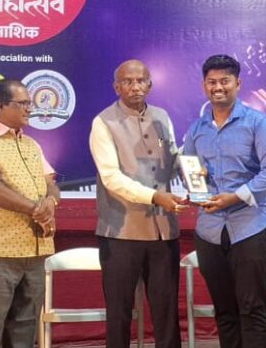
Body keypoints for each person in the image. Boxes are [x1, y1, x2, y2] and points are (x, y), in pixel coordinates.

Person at [182, 54, 266, 348]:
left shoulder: (257, 123)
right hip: (210, 231)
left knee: (252, 308)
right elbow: (189, 170)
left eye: (224, 81)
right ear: (204, 85)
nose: (218, 87)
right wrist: (196, 183)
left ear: (238, 84)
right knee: (224, 310)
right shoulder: (197, 129)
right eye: (212, 82)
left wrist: (235, 197)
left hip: (249, 227)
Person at [89, 59, 187, 348]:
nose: (135, 87)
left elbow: (172, 159)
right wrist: (154, 197)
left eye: (140, 80)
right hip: (121, 233)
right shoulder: (103, 122)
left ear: (150, 85)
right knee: (119, 314)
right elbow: (111, 178)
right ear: (116, 87)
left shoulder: (162, 116)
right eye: (128, 81)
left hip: (163, 232)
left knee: (166, 312)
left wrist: (194, 169)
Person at [0, 78, 61, 348]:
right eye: (23, 103)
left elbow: (51, 181)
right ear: (1, 106)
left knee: (26, 326)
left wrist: (51, 202)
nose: (30, 108)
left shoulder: (31, 144)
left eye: (29, 103)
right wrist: (34, 208)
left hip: (37, 249)